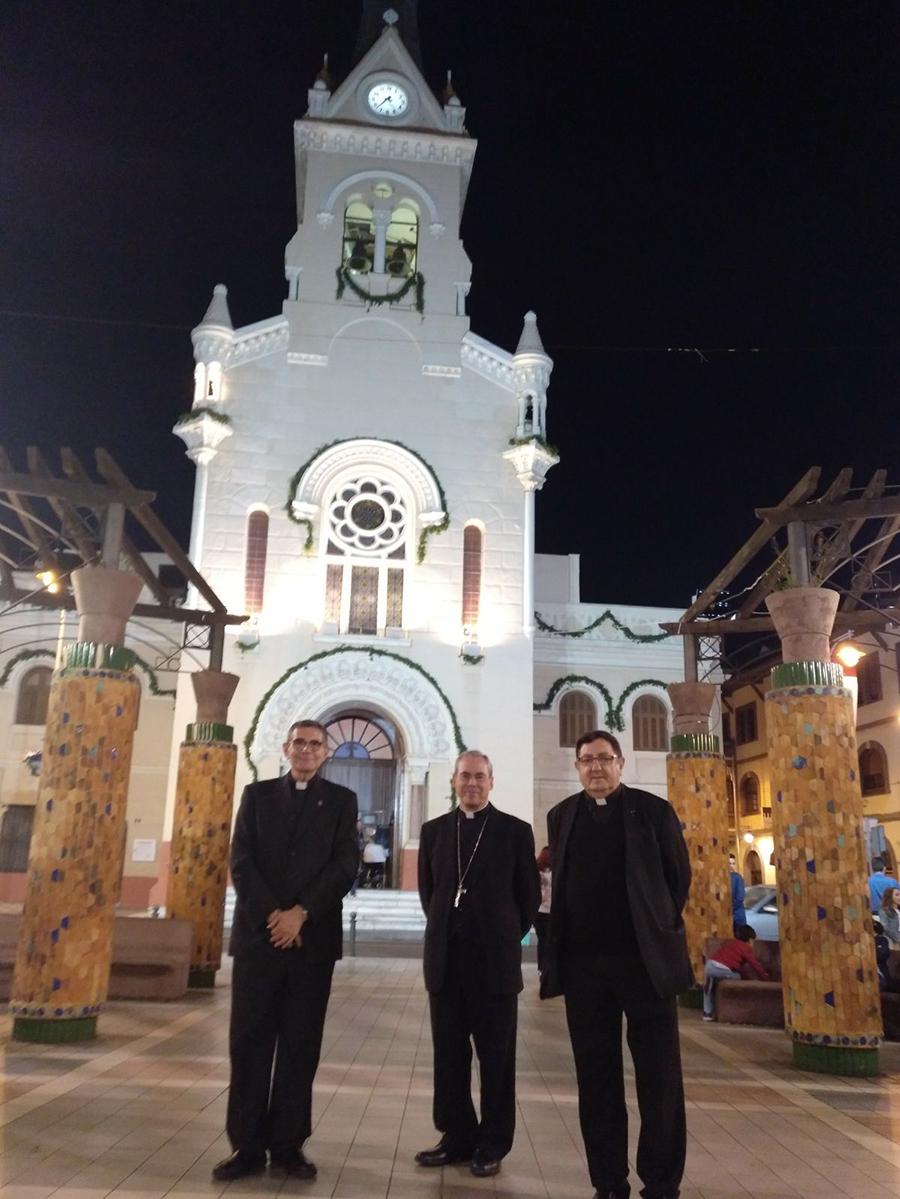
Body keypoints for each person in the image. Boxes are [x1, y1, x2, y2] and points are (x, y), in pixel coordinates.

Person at [543, 729, 692, 1199]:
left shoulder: (652, 812)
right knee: (596, 1079)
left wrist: (655, 928)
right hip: (585, 970)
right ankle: (608, 1182)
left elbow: (677, 880)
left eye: (605, 759)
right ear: (577, 767)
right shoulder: (561, 816)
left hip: (645, 966)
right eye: (587, 760)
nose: (596, 768)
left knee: (659, 1079)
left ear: (621, 764)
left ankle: (661, 1182)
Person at [212, 720, 359, 1183]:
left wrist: (302, 913)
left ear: (325, 753)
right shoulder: (256, 798)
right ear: (286, 748)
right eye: (300, 743)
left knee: (300, 1046)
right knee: (250, 1044)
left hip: (311, 943)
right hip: (260, 939)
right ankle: (247, 1147)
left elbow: (344, 864)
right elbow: (241, 860)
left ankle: (289, 1145)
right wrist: (275, 915)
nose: (307, 751)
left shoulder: (340, 801)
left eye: (316, 745)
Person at [415, 750, 539, 1179]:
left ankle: (492, 1142)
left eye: (479, 777)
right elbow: (429, 895)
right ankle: (456, 1136)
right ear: (453, 781)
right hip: (446, 965)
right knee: (448, 1058)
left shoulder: (514, 831)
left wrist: (502, 935)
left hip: (494, 969)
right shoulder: (434, 832)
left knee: (496, 1061)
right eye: (464, 776)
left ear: (492, 781)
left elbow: (529, 899)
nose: (472, 783)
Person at [702, 925, 769, 1020]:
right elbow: (755, 964)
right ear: (750, 940)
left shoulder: (732, 944)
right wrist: (764, 977)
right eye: (753, 942)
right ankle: (709, 1012)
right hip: (722, 969)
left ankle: (707, 1013)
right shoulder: (746, 948)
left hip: (709, 966)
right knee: (737, 976)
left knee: (708, 989)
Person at [535, 845, 552, 975]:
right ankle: (543, 968)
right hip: (542, 911)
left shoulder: (553, 871)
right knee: (543, 940)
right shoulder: (538, 873)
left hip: (549, 910)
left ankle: (546, 967)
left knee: (546, 940)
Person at [729, 852, 747, 932]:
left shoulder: (737, 877)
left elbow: (740, 897)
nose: (731, 866)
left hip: (737, 916)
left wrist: (730, 909)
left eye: (733, 863)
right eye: (729, 863)